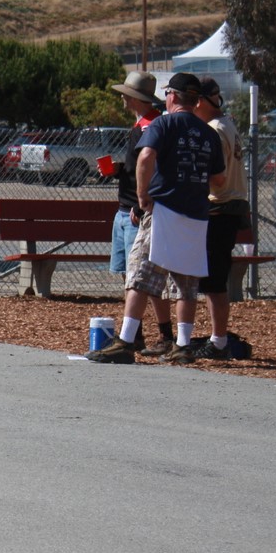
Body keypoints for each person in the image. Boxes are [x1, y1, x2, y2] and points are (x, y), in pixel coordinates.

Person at [87, 72, 226, 364]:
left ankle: (125, 341)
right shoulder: (208, 133)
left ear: (172, 96)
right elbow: (219, 180)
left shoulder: (163, 123)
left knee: (138, 274)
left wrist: (142, 195)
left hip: (164, 210)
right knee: (185, 283)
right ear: (196, 99)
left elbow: (146, 156)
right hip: (197, 215)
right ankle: (183, 346)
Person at [105, 70, 175, 353]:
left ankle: (164, 333)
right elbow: (137, 168)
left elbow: (156, 169)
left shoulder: (154, 126)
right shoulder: (140, 126)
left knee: (145, 276)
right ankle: (135, 333)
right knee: (129, 275)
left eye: (127, 94)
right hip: (124, 209)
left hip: (136, 210)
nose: (123, 98)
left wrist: (141, 202)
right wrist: (118, 171)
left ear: (137, 98)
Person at [187, 76, 252, 360]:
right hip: (231, 206)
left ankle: (219, 340)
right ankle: (218, 338)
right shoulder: (227, 123)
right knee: (214, 277)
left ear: (201, 101)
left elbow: (217, 178)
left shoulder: (213, 130)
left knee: (213, 280)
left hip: (220, 207)